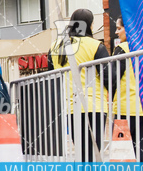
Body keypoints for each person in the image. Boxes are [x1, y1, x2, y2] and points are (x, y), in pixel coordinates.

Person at [47, 9, 112, 162]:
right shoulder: (96, 46)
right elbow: (110, 76)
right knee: (94, 151)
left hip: (70, 106)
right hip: (94, 106)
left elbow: (51, 77)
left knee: (81, 150)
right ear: (90, 25)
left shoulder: (55, 47)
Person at [112, 17, 143, 161]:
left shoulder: (122, 49)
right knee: (142, 150)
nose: (116, 32)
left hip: (124, 108)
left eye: (119, 28)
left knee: (121, 154)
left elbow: (113, 78)